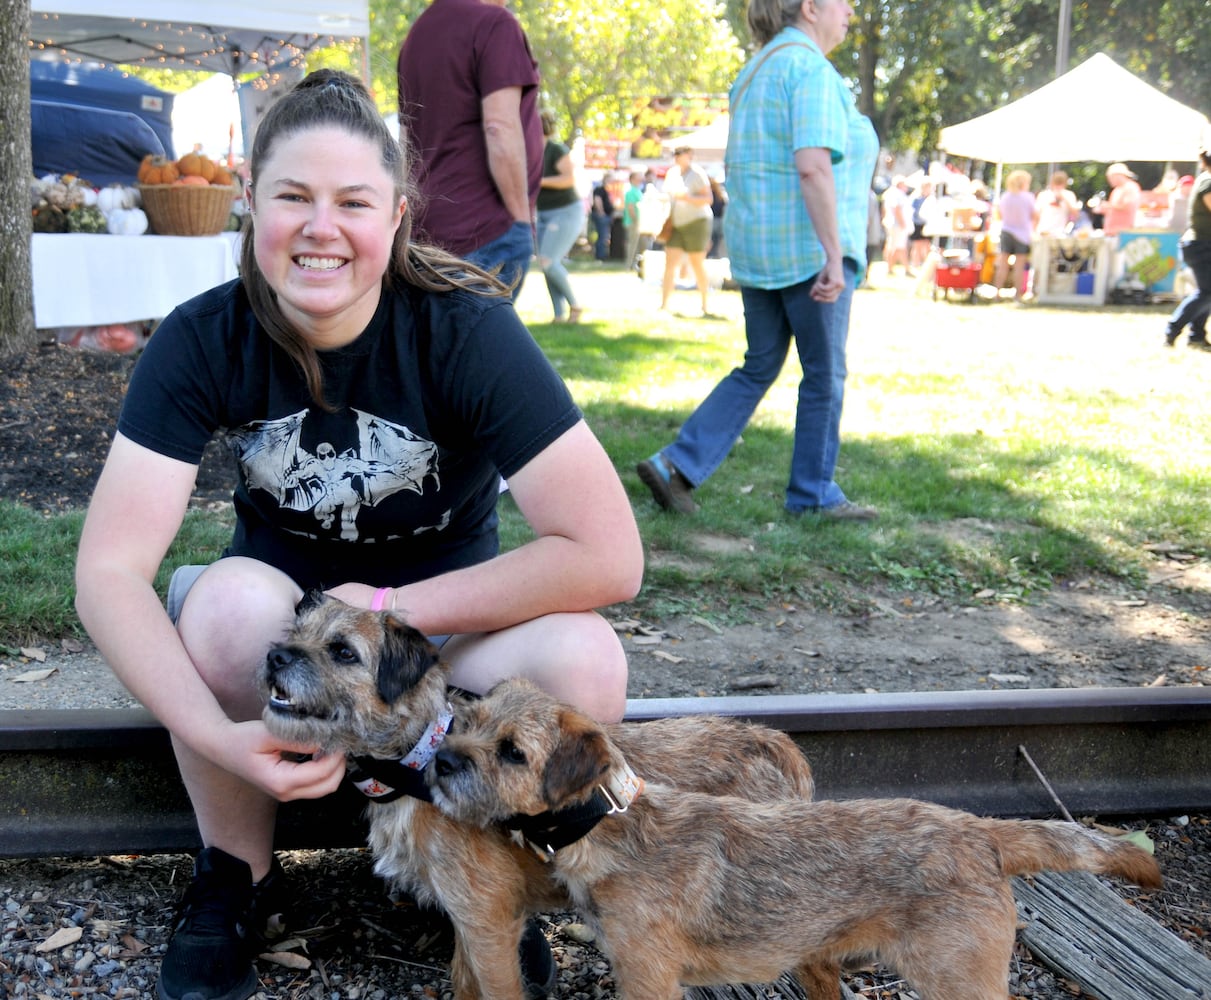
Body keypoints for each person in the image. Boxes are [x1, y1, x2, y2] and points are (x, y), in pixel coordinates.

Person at [74, 70, 643, 1000]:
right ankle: (237, 875)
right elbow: (106, 570)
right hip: (288, 632)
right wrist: (208, 736)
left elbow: (608, 553)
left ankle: (488, 887)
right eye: (292, 196)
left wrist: (387, 611)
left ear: (397, 216)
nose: (320, 228)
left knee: (583, 659)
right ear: (249, 202)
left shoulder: (467, 332)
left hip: (436, 638)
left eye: (353, 202)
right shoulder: (202, 337)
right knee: (222, 611)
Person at [637, 0, 878, 521]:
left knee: (759, 364)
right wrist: (835, 256)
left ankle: (676, 464)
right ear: (810, 8)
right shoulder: (809, 68)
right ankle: (813, 495)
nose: (851, 10)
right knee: (823, 373)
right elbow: (813, 168)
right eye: (842, 2)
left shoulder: (754, 71)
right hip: (807, 250)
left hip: (759, 248)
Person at [397, 0, 543, 297]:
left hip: (428, 230)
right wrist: (519, 219)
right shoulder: (494, 23)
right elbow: (499, 126)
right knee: (480, 342)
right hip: (486, 227)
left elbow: (405, 141)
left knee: (441, 341)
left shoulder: (417, 34)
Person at [535, 111, 585, 322]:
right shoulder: (531, 151)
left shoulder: (556, 149)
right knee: (545, 263)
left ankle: (575, 304)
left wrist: (538, 181)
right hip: (543, 213)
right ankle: (559, 314)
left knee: (548, 261)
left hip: (566, 212)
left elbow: (568, 180)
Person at [1164, 147, 1211, 350]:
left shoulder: (1204, 178)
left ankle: (1196, 335)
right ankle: (1172, 330)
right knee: (1206, 292)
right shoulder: (1208, 182)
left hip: (1199, 244)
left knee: (1207, 292)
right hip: (1201, 245)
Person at [660, 145, 716, 315]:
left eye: (679, 154)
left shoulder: (697, 173)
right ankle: (664, 305)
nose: (676, 157)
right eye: (674, 154)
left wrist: (688, 198)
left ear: (689, 155)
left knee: (696, 262)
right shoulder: (672, 173)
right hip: (676, 223)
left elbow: (708, 199)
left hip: (697, 222)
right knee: (670, 263)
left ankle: (705, 305)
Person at [992, 169, 1036, 300]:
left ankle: (997, 293)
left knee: (1003, 264)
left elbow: (999, 215)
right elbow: (1034, 215)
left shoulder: (1005, 197)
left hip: (1006, 231)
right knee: (1019, 266)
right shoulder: (1028, 197)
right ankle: (1017, 295)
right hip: (1022, 234)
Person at [1090, 162, 1141, 236]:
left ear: (1118, 175)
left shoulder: (1131, 187)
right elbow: (1113, 208)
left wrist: (1108, 206)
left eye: (1110, 177)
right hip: (1111, 231)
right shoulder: (1116, 190)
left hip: (1123, 231)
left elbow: (1128, 206)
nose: (1109, 180)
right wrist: (1102, 209)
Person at [1034, 169, 1081, 238]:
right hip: (1043, 231)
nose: (1058, 186)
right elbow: (1036, 214)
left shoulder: (1069, 195)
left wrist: (1064, 199)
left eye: (1060, 183)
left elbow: (1076, 214)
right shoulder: (1044, 195)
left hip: (1060, 233)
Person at [881, 174, 912, 276]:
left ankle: (890, 267)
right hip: (897, 224)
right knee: (899, 246)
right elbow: (897, 209)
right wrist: (902, 223)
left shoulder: (891, 193)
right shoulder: (896, 194)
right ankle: (903, 268)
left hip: (894, 224)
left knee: (893, 245)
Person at [621, 170, 646, 271]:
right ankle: (628, 265)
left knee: (638, 245)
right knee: (632, 245)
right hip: (633, 222)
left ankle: (634, 265)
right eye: (638, 177)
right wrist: (636, 220)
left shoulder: (637, 191)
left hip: (638, 222)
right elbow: (631, 208)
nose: (641, 179)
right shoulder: (631, 192)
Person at [590, 177, 614, 262]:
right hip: (601, 216)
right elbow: (597, 200)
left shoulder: (606, 190)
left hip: (604, 216)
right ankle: (600, 257)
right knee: (602, 236)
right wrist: (601, 213)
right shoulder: (599, 189)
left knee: (604, 237)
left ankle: (602, 255)